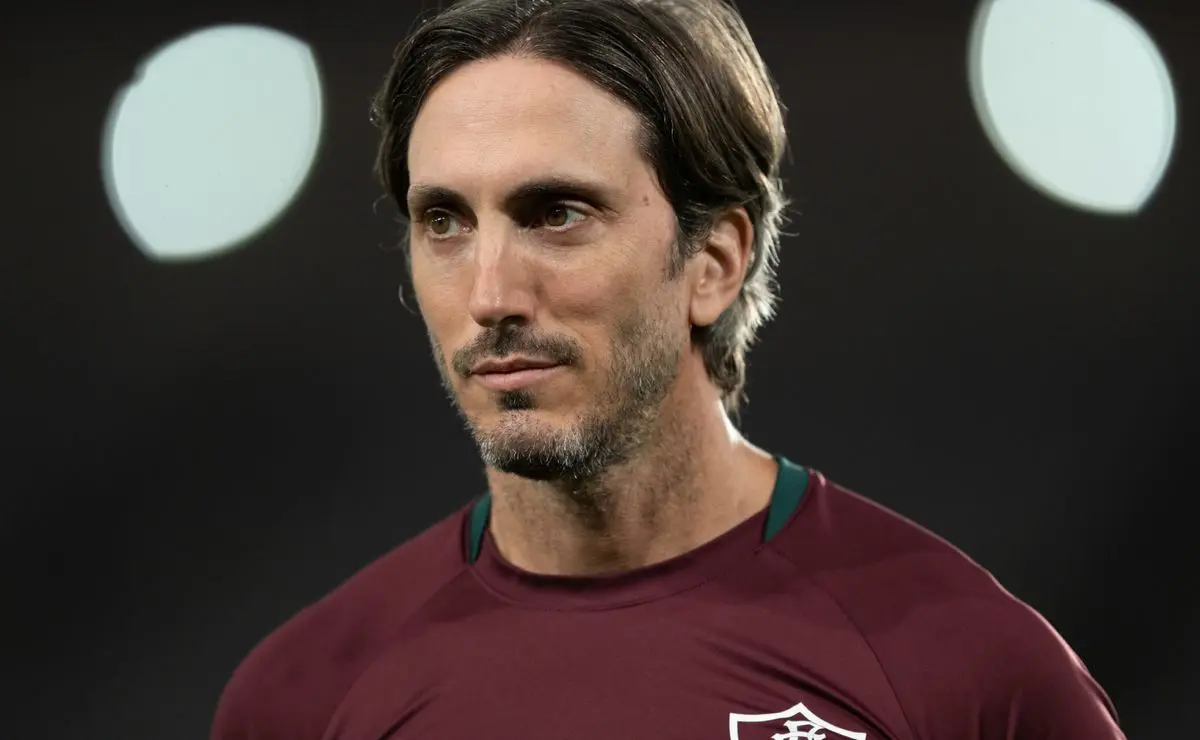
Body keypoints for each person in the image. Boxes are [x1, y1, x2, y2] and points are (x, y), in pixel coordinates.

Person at [210, 1, 1125, 737]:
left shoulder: (965, 673)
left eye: (557, 214)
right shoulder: (304, 698)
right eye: (444, 222)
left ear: (714, 261)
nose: (490, 295)